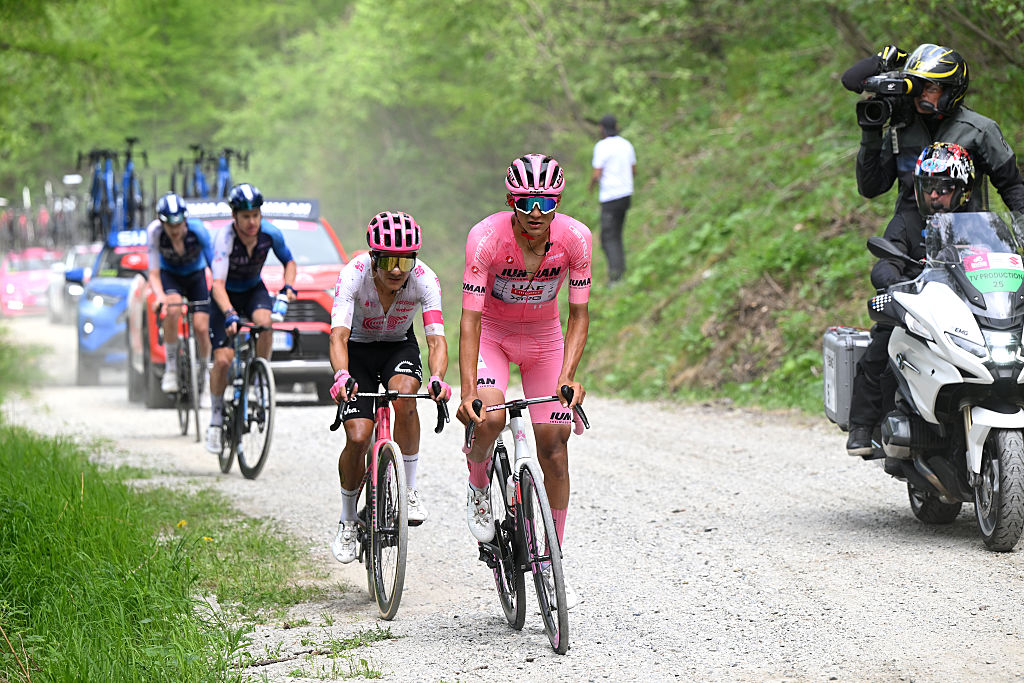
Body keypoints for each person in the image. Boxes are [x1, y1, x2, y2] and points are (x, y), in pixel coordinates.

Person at [457, 153, 592, 608]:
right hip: (493, 335)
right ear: (511, 199)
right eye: (526, 200)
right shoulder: (486, 239)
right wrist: (468, 390)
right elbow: (470, 320)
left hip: (544, 339)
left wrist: (569, 375)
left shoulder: (575, 239)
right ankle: (478, 486)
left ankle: (553, 562)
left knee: (554, 443)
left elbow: (578, 314)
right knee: (490, 416)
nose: (536, 211)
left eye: (546, 201)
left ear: (557, 201)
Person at [326, 211, 450, 563]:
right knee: (358, 436)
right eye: (389, 260)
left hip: (398, 345)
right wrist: (341, 376)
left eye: (406, 260)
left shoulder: (425, 279)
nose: (397, 269)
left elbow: (437, 340)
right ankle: (348, 520)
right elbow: (338, 335)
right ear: (373, 257)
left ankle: (409, 489)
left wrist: (438, 377)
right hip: (358, 350)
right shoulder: (353, 274)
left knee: (407, 395)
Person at [846, 142, 974, 455]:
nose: (934, 195)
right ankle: (863, 425)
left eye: (943, 188)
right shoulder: (906, 221)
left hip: (967, 314)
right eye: (928, 187)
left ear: (963, 191)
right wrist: (894, 283)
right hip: (918, 310)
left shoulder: (978, 226)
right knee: (882, 348)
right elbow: (886, 260)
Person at [846, 43, 1024, 220]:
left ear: (950, 92)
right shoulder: (902, 128)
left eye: (931, 89)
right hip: (908, 235)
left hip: (967, 232)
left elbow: (1012, 186)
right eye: (918, 87)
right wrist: (871, 132)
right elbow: (871, 187)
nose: (921, 95)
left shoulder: (979, 131)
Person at [205, 183, 297, 454]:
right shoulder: (224, 239)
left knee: (265, 323)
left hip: (252, 289)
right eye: (245, 216)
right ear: (234, 217)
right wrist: (230, 313)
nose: (252, 221)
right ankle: (215, 418)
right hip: (225, 296)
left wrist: (288, 286)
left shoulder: (270, 233)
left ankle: (259, 375)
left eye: (255, 215)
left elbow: (289, 262)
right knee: (223, 360)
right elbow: (217, 285)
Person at [146, 193, 214, 396]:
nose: (175, 231)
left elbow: (214, 266)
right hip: (171, 275)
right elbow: (154, 273)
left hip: (196, 275)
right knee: (172, 308)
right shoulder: (154, 232)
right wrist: (160, 297)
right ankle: (172, 368)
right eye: (170, 226)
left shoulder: (199, 231)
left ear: (185, 220)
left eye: (179, 225)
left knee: (202, 327)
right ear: (161, 222)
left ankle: (205, 373)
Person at [588, 114, 636, 284]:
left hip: (611, 197)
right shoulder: (626, 144)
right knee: (617, 234)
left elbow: (597, 173)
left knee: (608, 238)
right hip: (626, 195)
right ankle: (620, 272)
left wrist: (591, 185)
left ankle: (616, 277)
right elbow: (633, 170)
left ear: (601, 128)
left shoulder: (602, 146)